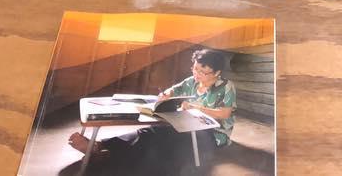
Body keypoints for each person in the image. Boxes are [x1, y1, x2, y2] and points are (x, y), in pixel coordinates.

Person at [67, 48, 237, 171]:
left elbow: (225, 114)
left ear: (217, 73)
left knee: (161, 141)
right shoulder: (192, 81)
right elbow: (173, 90)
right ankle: (100, 146)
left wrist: (195, 107)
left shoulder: (226, 86)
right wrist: (165, 94)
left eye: (203, 72)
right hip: (187, 124)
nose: (197, 74)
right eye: (195, 69)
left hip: (212, 133)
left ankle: (106, 154)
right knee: (150, 131)